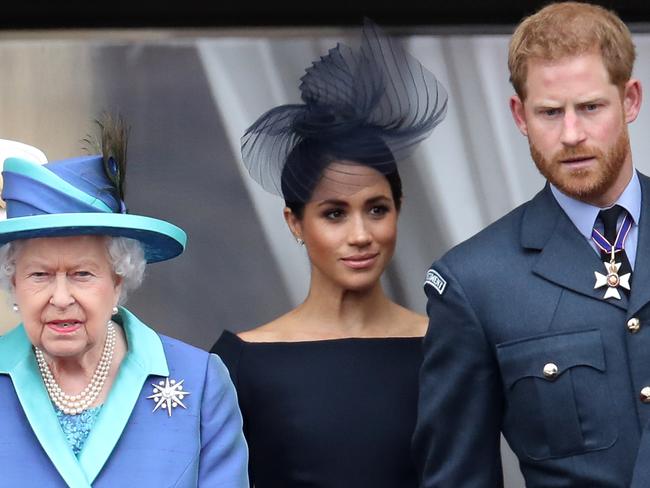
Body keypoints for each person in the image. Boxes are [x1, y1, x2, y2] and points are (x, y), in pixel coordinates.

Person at [413, 2, 650, 487]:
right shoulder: (474, 284)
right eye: (549, 112)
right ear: (520, 115)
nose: (571, 134)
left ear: (630, 100)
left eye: (590, 107)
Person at [211, 21, 447, 487]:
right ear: (294, 223)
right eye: (334, 214)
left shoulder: (446, 349)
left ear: (398, 209)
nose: (360, 234)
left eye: (376, 209)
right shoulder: (239, 363)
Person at [0, 118, 249, 487]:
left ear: (118, 280)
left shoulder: (200, 383)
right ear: (13, 280)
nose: (61, 297)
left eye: (83, 274)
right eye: (40, 275)